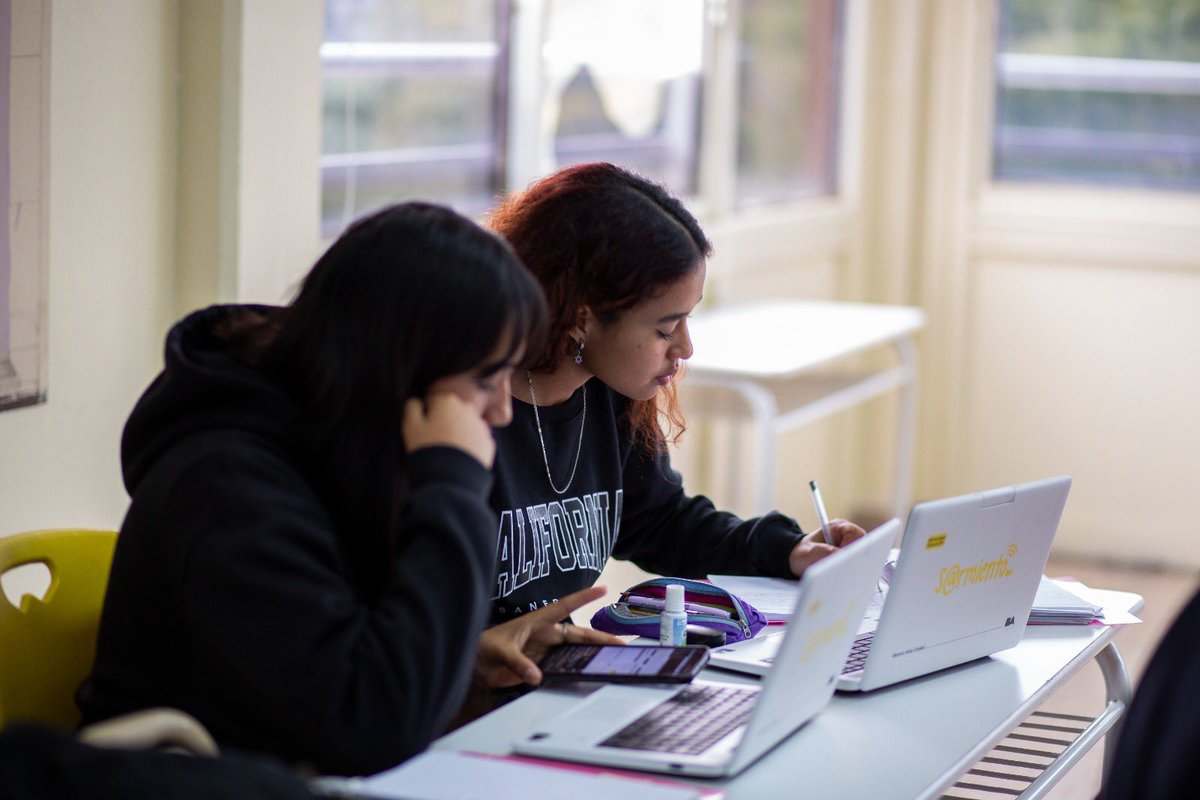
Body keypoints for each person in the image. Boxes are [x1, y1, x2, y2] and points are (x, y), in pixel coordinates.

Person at [76, 202, 611, 777]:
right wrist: (453, 486)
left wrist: (461, 659)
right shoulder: (227, 488)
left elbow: (357, 662)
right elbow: (372, 727)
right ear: (402, 365)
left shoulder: (352, 443)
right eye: (485, 379)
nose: (502, 411)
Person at [479, 162, 865, 678]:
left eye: (688, 319)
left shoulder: (606, 394)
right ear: (581, 316)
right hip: (464, 713)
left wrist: (788, 551)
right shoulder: (464, 413)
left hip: (547, 686)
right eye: (666, 328)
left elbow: (662, 522)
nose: (685, 347)